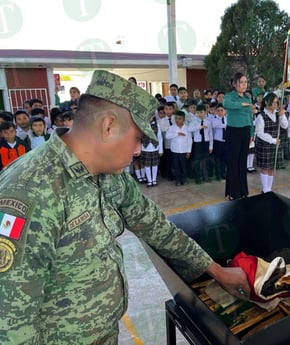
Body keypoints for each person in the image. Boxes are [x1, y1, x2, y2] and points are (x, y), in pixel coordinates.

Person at [0, 70, 249, 344]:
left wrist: (215, 270)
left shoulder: (111, 175)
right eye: (138, 139)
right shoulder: (30, 191)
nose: (138, 151)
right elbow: (12, 326)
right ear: (108, 126)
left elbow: (155, 226)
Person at [223, 72, 254, 200]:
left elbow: (249, 116)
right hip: (233, 132)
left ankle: (242, 190)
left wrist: (252, 132)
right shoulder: (229, 96)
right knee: (233, 162)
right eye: (241, 82)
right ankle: (233, 192)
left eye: (245, 82)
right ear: (235, 84)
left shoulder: (247, 97)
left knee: (242, 162)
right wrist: (242, 105)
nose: (244, 85)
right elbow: (227, 105)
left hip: (245, 131)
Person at [255, 92, 288, 193]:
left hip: (275, 145)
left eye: (276, 103)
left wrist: (282, 116)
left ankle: (269, 188)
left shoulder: (278, 113)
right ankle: (265, 189)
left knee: (272, 168)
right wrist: (272, 140)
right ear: (266, 102)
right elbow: (259, 133)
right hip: (265, 145)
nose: (275, 105)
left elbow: (285, 126)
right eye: (273, 103)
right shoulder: (261, 116)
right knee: (265, 167)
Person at [166, 110, 192, 186]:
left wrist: (188, 151)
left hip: (184, 151)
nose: (177, 120)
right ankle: (177, 179)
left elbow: (189, 140)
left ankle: (183, 179)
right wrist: (177, 134)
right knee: (176, 166)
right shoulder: (172, 128)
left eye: (180, 119)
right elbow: (167, 136)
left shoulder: (187, 128)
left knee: (183, 166)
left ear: (183, 119)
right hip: (175, 151)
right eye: (176, 118)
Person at [189, 104, 213, 184]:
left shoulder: (208, 121)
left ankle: (205, 177)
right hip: (197, 143)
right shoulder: (194, 121)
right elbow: (189, 129)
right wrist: (200, 127)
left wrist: (211, 146)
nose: (200, 114)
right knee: (197, 161)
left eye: (201, 112)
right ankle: (198, 178)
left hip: (206, 142)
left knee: (205, 160)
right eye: (198, 112)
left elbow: (210, 134)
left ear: (205, 112)